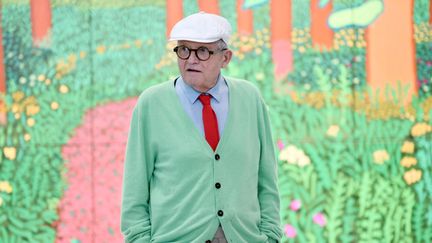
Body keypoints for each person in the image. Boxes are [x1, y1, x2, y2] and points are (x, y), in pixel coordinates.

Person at [121, 11, 282, 243]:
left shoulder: (250, 98)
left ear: (225, 58)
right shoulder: (152, 104)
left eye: (203, 51)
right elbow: (134, 191)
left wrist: (271, 236)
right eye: (184, 49)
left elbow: (267, 180)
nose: (191, 59)